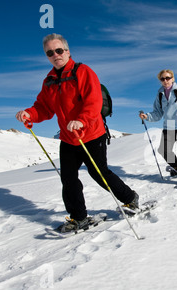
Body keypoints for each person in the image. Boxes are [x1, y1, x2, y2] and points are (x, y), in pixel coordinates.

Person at [16, 34, 139, 232]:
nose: (55, 55)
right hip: (68, 138)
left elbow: (94, 101)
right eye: (50, 52)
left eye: (58, 50)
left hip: (91, 134)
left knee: (99, 173)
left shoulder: (83, 72)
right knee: (68, 178)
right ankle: (78, 217)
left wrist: (81, 120)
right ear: (47, 56)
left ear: (67, 51)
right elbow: (44, 108)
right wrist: (29, 114)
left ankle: (130, 198)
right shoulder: (49, 81)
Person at [139, 70, 177, 190]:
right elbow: (158, 113)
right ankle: (176, 166)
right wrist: (147, 116)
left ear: (173, 79)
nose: (165, 81)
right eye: (162, 79)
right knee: (163, 150)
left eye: (168, 78)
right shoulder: (160, 94)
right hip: (168, 126)